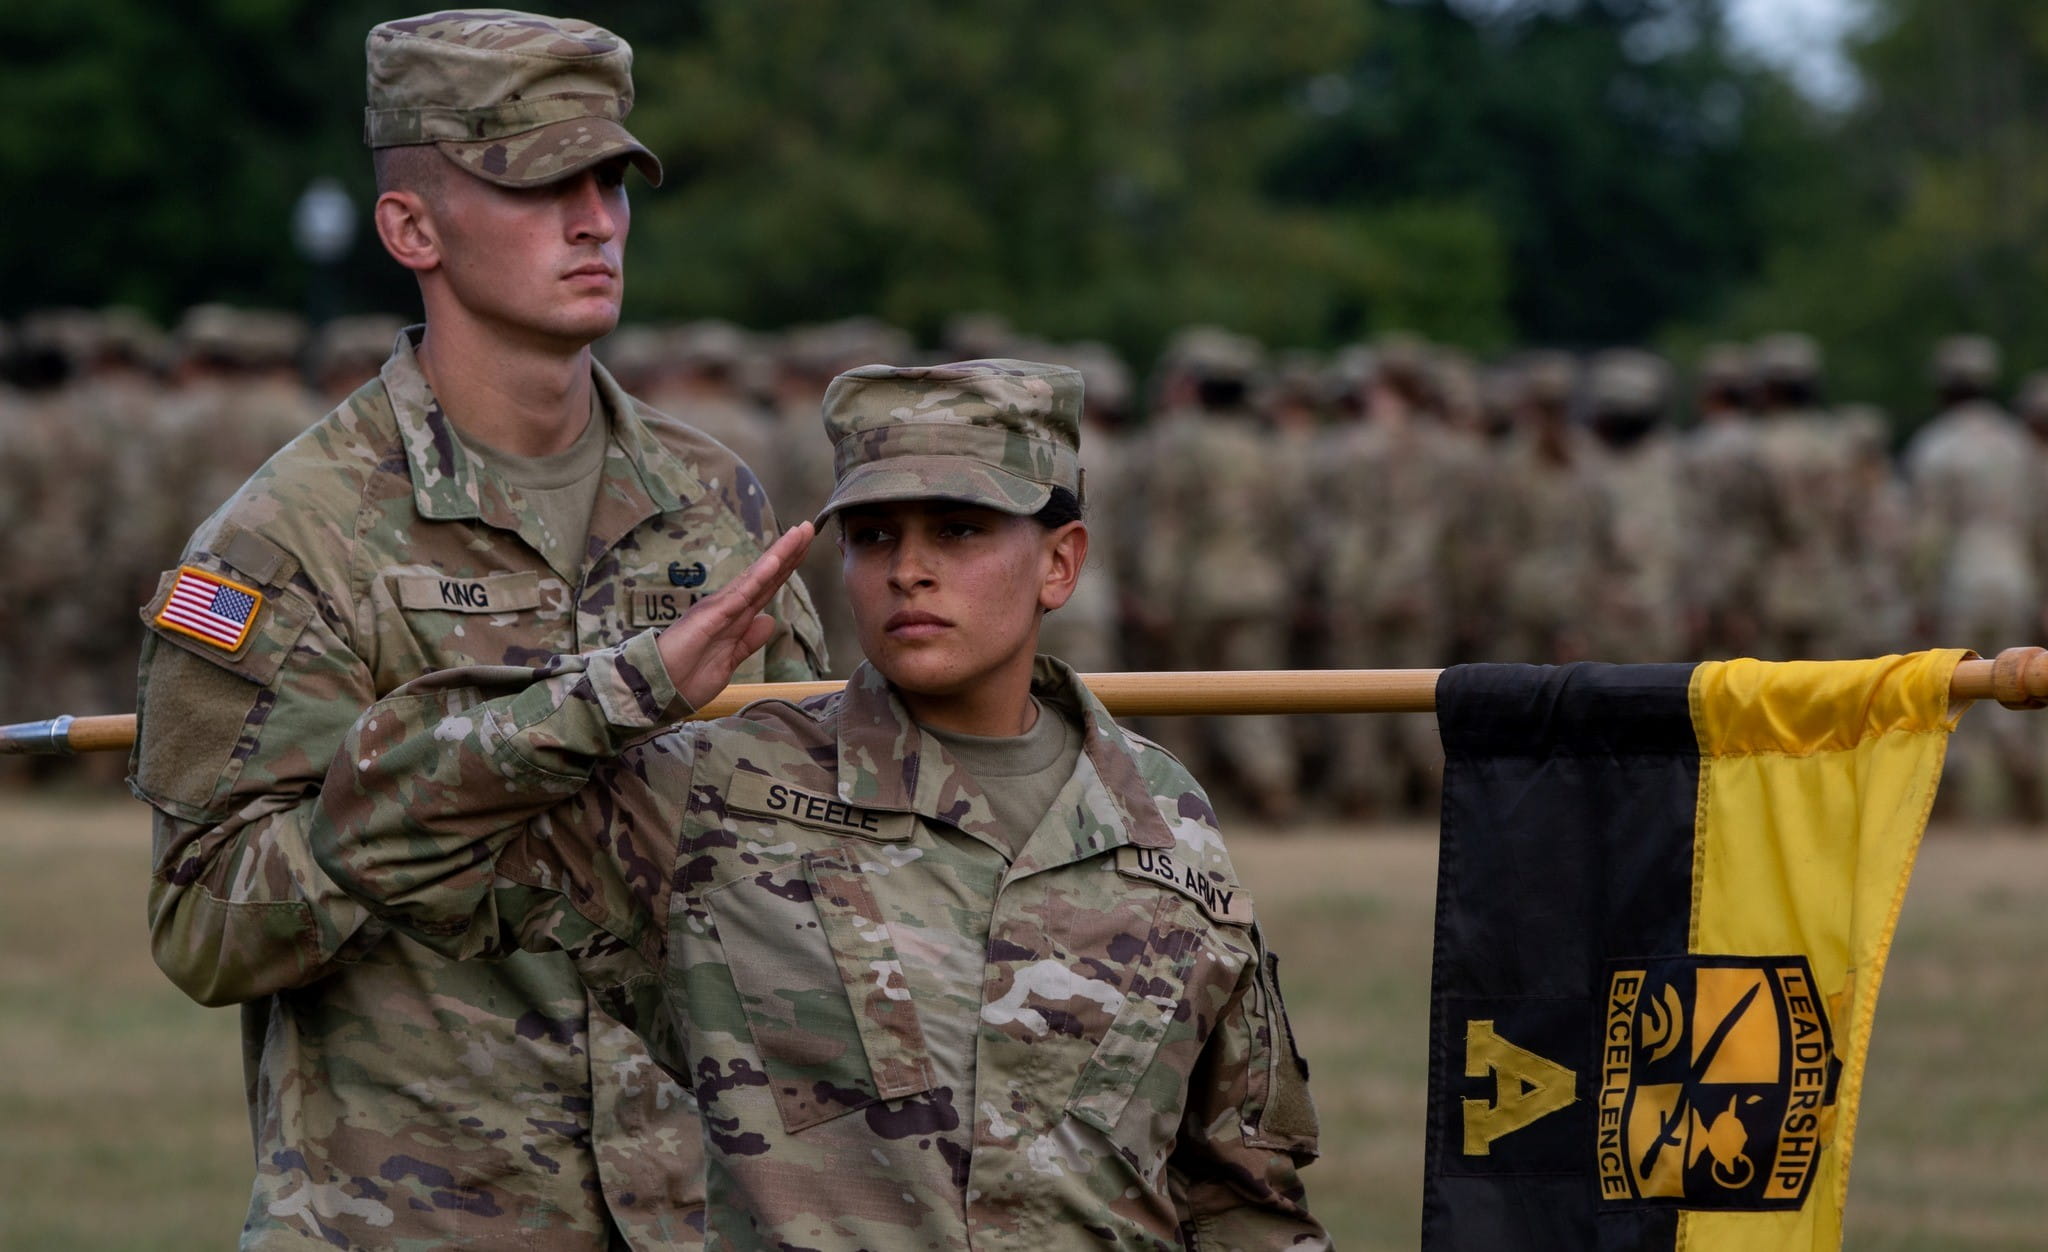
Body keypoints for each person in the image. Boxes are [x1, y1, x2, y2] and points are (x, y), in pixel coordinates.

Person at [311, 359, 1327, 1249]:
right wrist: (631, 688)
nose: (908, 569)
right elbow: (377, 832)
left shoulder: (1163, 814)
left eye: (959, 529)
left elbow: (1241, 1190)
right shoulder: (723, 791)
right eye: (873, 534)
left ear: (1060, 562)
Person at [130, 11, 824, 1248]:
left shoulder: (716, 507)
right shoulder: (290, 536)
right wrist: (519, 750)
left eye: (609, 180)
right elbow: (209, 925)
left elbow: (815, 862)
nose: (595, 219)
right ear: (411, 229)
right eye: (542, 183)